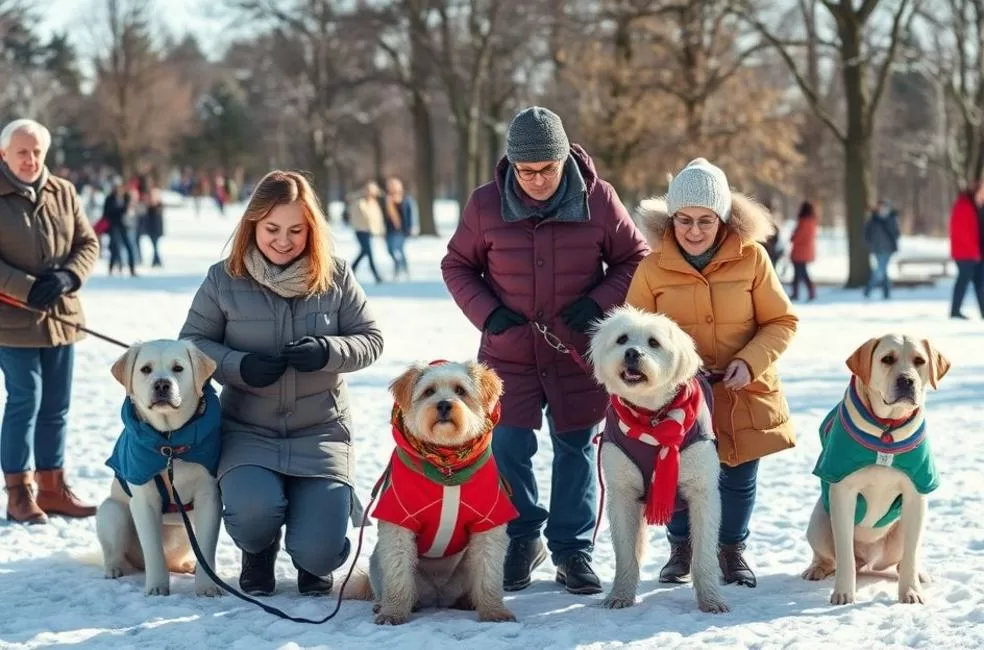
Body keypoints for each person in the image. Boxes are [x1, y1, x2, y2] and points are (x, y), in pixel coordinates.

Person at [441, 106, 649, 595]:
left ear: (564, 160)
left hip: (576, 352)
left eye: (547, 169)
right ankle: (521, 538)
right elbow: (457, 265)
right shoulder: (485, 204)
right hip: (508, 352)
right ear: (512, 165)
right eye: (526, 171)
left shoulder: (598, 198)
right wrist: (488, 313)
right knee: (508, 447)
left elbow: (634, 258)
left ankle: (572, 550)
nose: (537, 180)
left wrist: (596, 305)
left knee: (576, 447)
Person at [179, 170, 383, 596]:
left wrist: (328, 351)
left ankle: (313, 554)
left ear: (312, 230)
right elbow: (191, 344)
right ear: (252, 224)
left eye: (296, 230)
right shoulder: (223, 279)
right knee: (253, 512)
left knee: (321, 552)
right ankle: (258, 548)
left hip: (321, 432)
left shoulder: (336, 276)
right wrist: (238, 365)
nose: (284, 241)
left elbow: (371, 340)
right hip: (248, 430)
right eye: (272, 229)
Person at [626, 157, 798, 588]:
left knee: (737, 476)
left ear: (723, 219)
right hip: (676, 395)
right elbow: (634, 331)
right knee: (676, 472)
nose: (694, 230)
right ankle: (681, 547)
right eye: (684, 220)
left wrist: (750, 360)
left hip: (742, 388)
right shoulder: (652, 267)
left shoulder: (752, 258)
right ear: (671, 219)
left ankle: (730, 549)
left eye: (706, 220)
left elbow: (781, 321)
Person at [0, 118, 100, 524]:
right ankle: (18, 492)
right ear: (4, 154)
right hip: (11, 320)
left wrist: (68, 276)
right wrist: (27, 288)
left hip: (62, 317)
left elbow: (87, 242)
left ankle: (53, 489)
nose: (30, 159)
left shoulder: (64, 191)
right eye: (22, 152)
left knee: (57, 405)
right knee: (26, 399)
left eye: (37, 151)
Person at [947, 179, 984, 319]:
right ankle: (955, 311)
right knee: (963, 281)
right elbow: (962, 232)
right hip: (966, 253)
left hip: (976, 253)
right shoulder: (964, 205)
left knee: (980, 283)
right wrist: (974, 252)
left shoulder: (977, 206)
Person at [863, 199, 901, 299]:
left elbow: (896, 233)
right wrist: (870, 243)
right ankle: (884, 291)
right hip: (877, 248)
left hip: (888, 248)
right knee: (882, 270)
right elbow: (867, 233)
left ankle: (870, 288)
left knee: (881, 270)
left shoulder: (891, 218)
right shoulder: (873, 219)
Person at [348, 181, 385, 284]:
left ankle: (351, 269)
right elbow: (355, 216)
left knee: (364, 252)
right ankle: (376, 275)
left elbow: (378, 218)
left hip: (369, 232)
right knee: (369, 253)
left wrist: (381, 230)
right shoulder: (359, 202)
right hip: (360, 231)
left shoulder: (374, 203)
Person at [383, 176, 416, 280]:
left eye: (394, 185)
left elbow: (410, 214)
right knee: (390, 250)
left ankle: (403, 269)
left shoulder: (405, 199)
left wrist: (411, 226)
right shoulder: (386, 199)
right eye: (391, 185)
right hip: (389, 229)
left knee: (400, 249)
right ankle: (398, 264)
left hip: (400, 230)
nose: (393, 187)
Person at [102, 181, 138, 276]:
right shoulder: (110, 199)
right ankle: (112, 268)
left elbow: (132, 210)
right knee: (115, 248)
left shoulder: (126, 198)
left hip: (125, 225)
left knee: (129, 247)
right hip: (114, 226)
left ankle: (132, 269)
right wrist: (120, 211)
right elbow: (106, 213)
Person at [789, 200, 818, 301]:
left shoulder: (804, 221)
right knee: (800, 273)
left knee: (800, 273)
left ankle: (800, 293)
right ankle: (806, 292)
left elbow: (799, 236)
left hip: (800, 251)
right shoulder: (812, 221)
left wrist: (793, 237)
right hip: (806, 251)